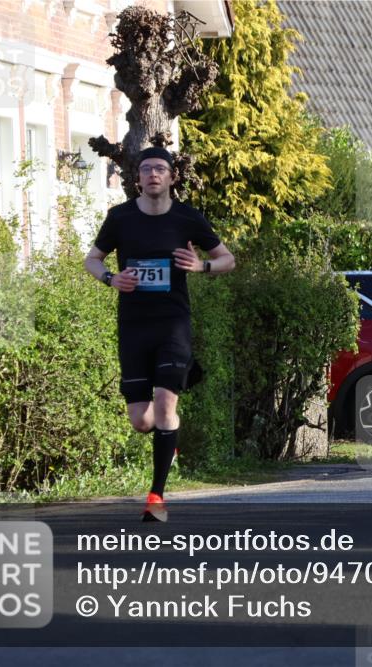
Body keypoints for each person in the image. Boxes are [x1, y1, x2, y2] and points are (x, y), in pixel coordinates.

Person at [84, 147, 235, 521]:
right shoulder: (119, 218)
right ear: (137, 178)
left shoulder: (187, 217)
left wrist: (201, 265)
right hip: (134, 325)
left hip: (173, 323)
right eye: (147, 169)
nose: (153, 174)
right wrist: (110, 278)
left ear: (171, 177)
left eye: (161, 169)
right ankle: (170, 437)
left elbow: (227, 259)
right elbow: (92, 259)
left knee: (166, 404)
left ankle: (156, 497)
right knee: (142, 421)